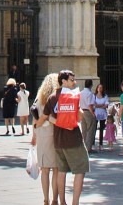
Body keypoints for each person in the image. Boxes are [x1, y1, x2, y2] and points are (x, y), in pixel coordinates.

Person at [43, 70, 88, 205]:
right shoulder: (72, 96)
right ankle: (75, 203)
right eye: (72, 80)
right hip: (73, 140)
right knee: (80, 171)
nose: (74, 82)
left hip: (58, 140)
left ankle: (62, 201)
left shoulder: (52, 97)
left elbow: (48, 117)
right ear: (63, 81)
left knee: (61, 171)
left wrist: (55, 121)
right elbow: (80, 117)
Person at [32, 73, 61, 205]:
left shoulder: (39, 99)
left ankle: (45, 199)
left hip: (42, 134)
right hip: (55, 133)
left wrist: (34, 136)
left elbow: (34, 118)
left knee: (44, 170)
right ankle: (55, 199)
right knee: (56, 169)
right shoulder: (56, 98)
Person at [79, 78, 97, 151]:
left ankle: (83, 146)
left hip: (82, 111)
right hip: (88, 111)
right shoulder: (90, 94)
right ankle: (88, 147)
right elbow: (90, 105)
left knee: (84, 130)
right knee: (90, 130)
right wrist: (93, 113)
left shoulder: (81, 92)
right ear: (91, 85)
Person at [93, 83, 110, 150]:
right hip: (96, 114)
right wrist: (101, 105)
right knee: (94, 129)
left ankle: (101, 144)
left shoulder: (105, 96)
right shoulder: (94, 96)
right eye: (99, 87)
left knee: (101, 130)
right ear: (97, 88)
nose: (100, 89)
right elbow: (94, 105)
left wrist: (98, 105)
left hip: (103, 114)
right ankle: (93, 143)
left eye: (101, 87)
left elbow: (106, 105)